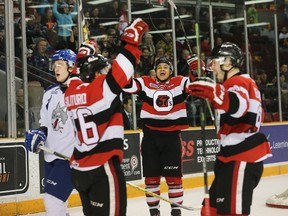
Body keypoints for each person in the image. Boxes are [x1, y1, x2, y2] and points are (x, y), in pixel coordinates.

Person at [63, 18, 149, 216]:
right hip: (102, 169)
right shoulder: (103, 90)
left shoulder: (71, 92)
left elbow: (76, 74)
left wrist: (84, 54)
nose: (105, 72)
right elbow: (124, 68)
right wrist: (132, 43)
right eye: (102, 70)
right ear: (94, 73)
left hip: (79, 171)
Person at [189, 42, 272, 216]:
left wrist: (215, 93)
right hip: (231, 158)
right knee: (209, 210)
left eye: (215, 63)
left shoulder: (237, 82)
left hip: (241, 157)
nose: (212, 68)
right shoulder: (240, 82)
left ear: (227, 62)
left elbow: (239, 106)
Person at [123, 55, 204, 216]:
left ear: (171, 71)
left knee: (174, 178)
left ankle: (175, 212)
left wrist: (195, 68)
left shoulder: (179, 82)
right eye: (159, 67)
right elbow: (127, 84)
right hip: (150, 139)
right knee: (151, 179)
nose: (162, 69)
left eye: (165, 67)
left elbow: (195, 86)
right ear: (155, 71)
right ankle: (154, 212)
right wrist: (126, 65)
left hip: (171, 139)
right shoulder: (146, 82)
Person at [24, 49, 78, 216]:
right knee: (59, 203)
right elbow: (45, 123)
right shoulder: (49, 93)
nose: (56, 68)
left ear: (71, 67)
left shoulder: (82, 91)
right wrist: (40, 133)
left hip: (70, 157)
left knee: (52, 201)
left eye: (60, 64)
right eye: (54, 65)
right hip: (51, 155)